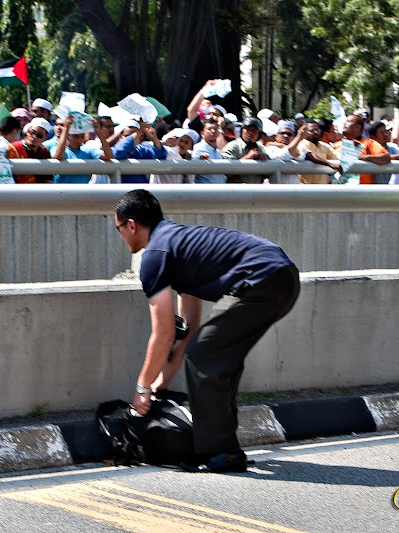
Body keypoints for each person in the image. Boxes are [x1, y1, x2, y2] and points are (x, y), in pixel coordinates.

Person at [114, 189, 300, 472]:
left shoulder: (155, 255)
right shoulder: (177, 242)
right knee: (217, 357)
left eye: (118, 228)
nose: (120, 236)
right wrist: (162, 380)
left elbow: (163, 332)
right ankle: (224, 447)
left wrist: (141, 389)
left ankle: (220, 452)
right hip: (282, 276)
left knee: (204, 359)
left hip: (259, 280)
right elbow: (186, 326)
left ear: (131, 225)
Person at [46, 114, 114, 183]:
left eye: (82, 136)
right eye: (76, 136)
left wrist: (99, 133)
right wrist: (66, 129)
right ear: (68, 136)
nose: (79, 140)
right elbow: (58, 157)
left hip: (83, 193)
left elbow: (109, 156)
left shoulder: (88, 151)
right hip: (62, 192)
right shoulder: (57, 149)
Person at [221, 116, 269, 184]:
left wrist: (264, 164)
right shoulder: (232, 147)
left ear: (259, 134)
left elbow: (269, 173)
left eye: (254, 130)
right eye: (248, 129)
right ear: (242, 130)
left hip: (257, 192)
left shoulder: (262, 150)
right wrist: (248, 157)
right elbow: (227, 171)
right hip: (236, 192)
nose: (250, 133)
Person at [6, 117, 53, 183]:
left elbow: (48, 177)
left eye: (39, 135)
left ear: (45, 138)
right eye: (32, 132)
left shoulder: (45, 152)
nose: (34, 137)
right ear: (27, 132)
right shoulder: (12, 148)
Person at [191, 119, 228, 184]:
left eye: (215, 129)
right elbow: (192, 171)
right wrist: (200, 161)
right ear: (202, 133)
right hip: (204, 192)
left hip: (220, 191)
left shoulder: (217, 150)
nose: (213, 131)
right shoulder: (198, 149)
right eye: (209, 129)